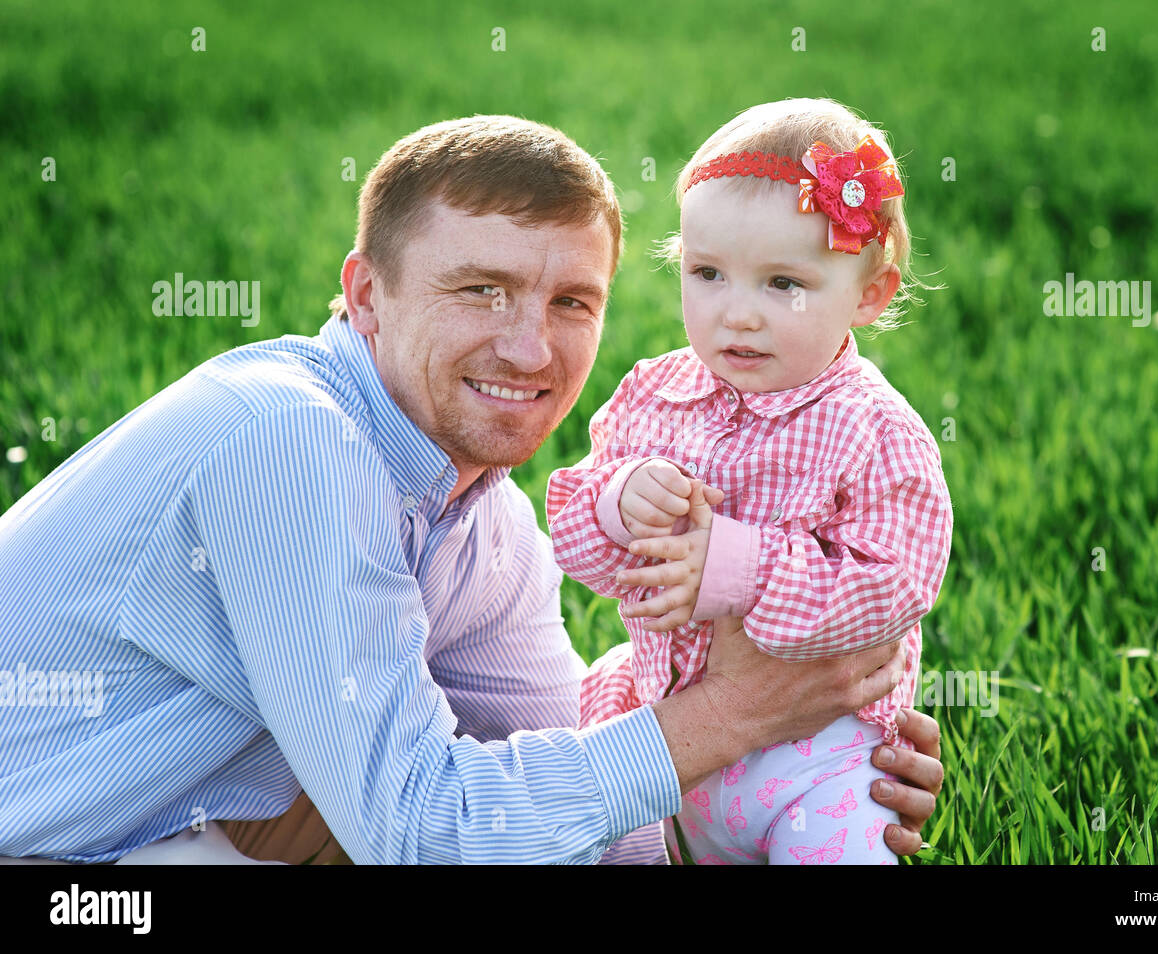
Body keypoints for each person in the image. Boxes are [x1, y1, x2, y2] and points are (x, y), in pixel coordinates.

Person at [0, 115, 942, 865]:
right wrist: (731, 715)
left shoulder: (482, 517)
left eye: (571, 302)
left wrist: (790, 781)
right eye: (481, 290)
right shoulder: (287, 442)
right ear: (366, 294)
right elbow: (416, 833)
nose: (531, 349)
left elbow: (561, 789)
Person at [547, 99, 952, 864]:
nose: (736, 314)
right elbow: (572, 531)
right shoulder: (657, 394)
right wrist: (619, 500)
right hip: (667, 742)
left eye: (782, 284)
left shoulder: (872, 429)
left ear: (869, 294)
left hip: (818, 758)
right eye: (707, 274)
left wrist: (735, 568)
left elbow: (895, 585)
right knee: (567, 828)